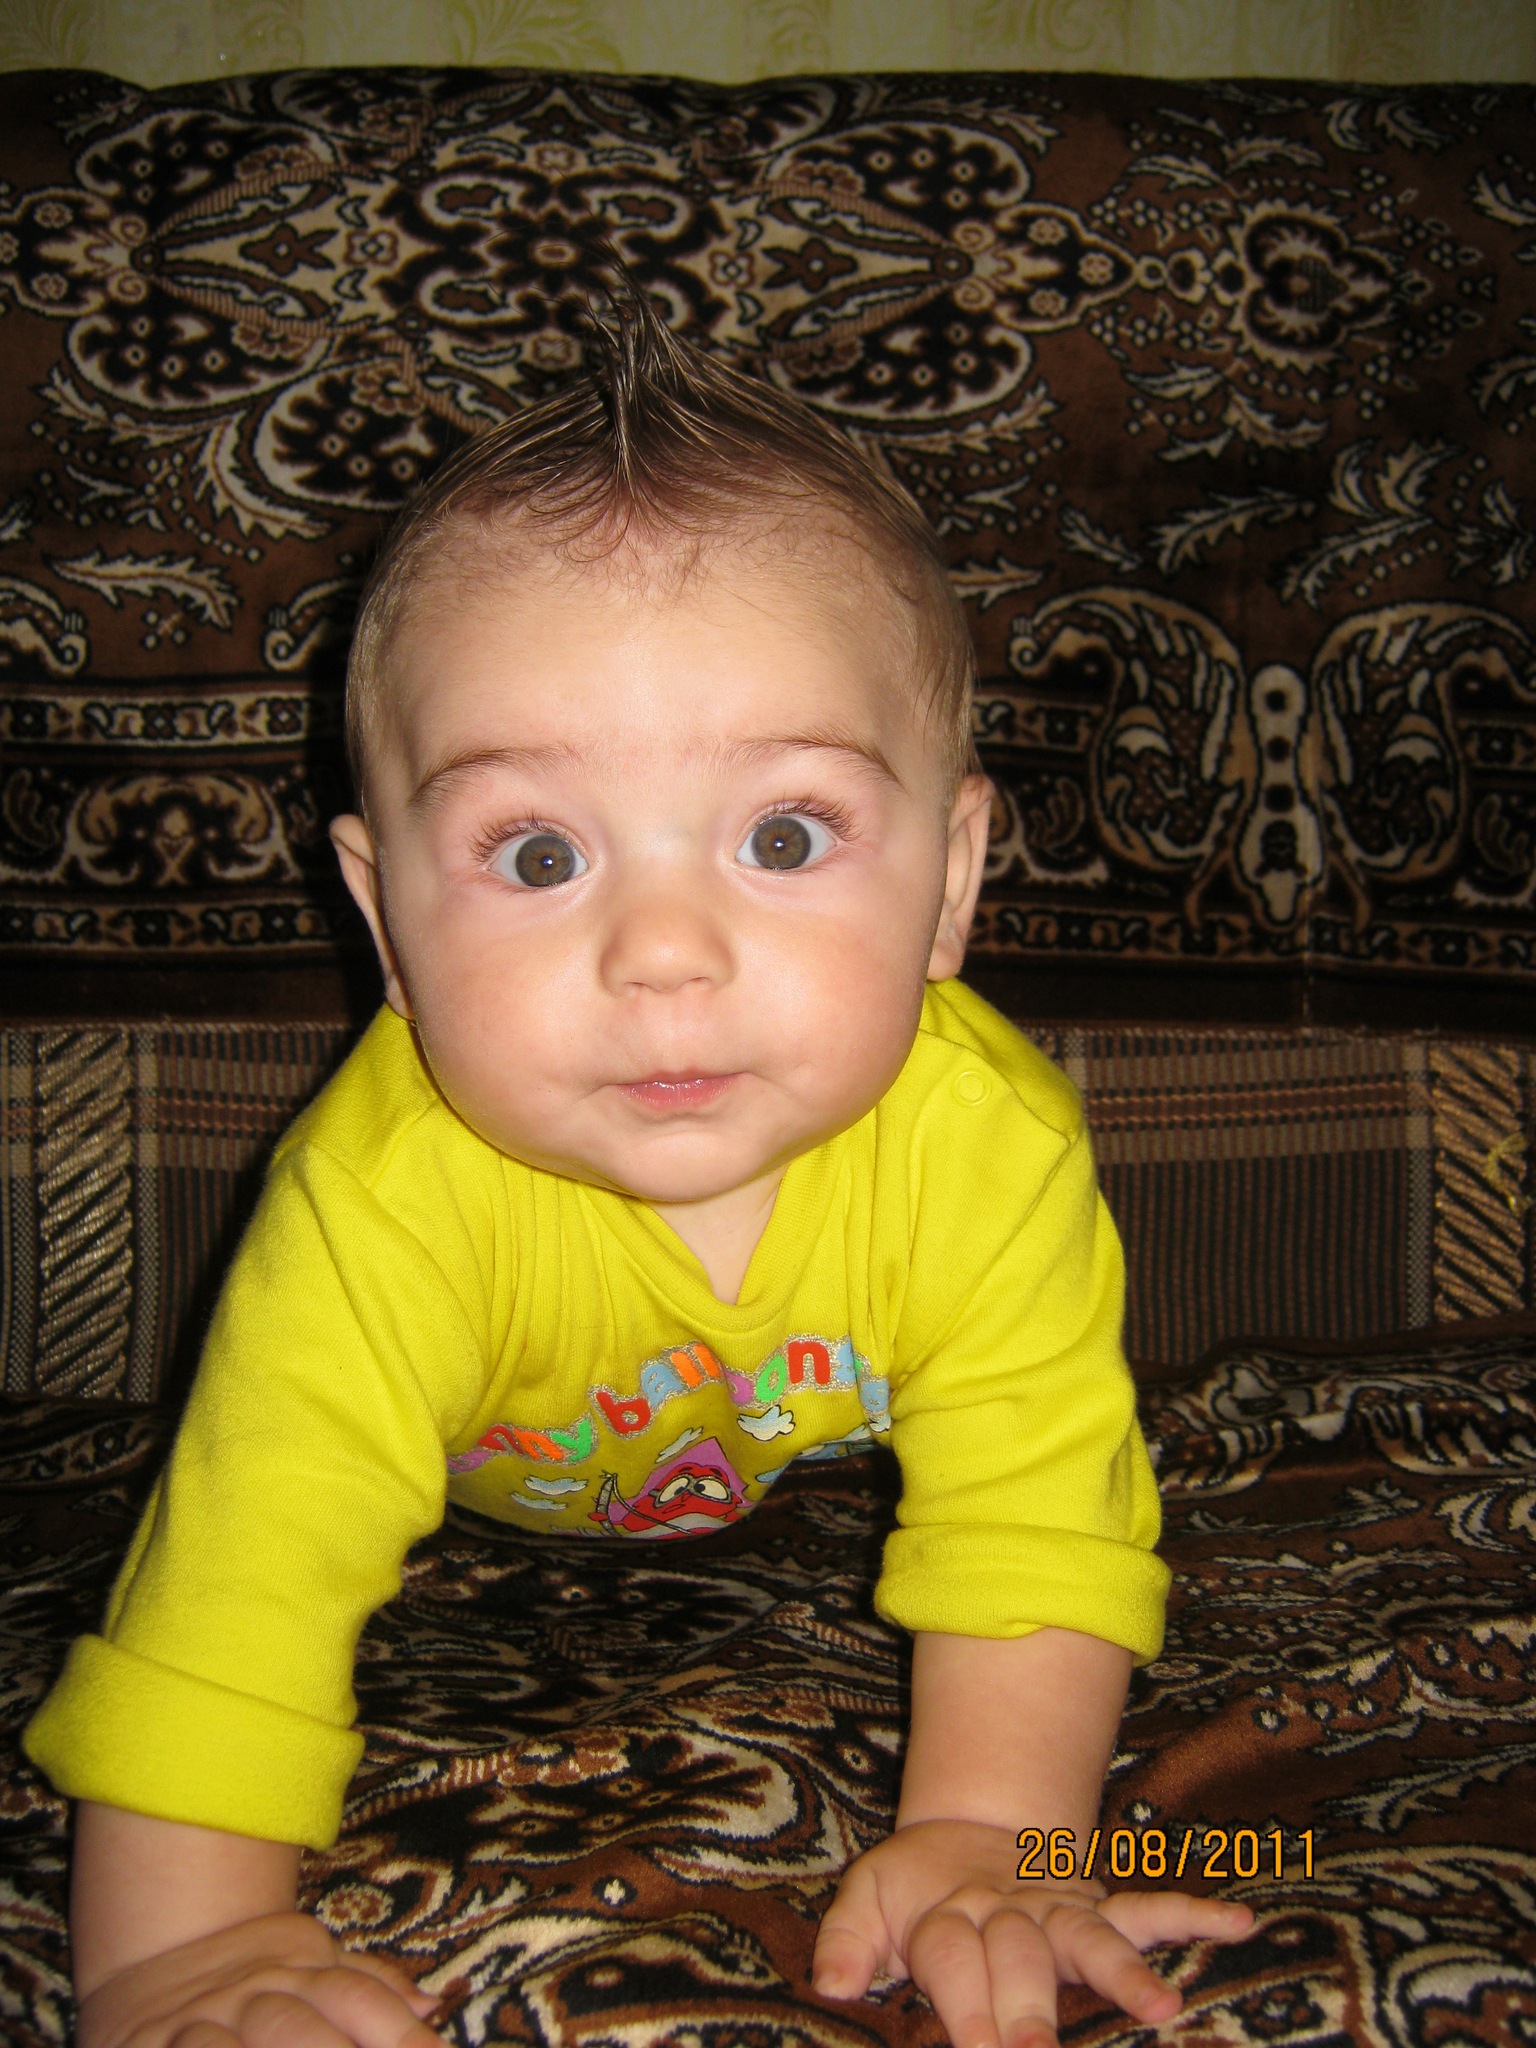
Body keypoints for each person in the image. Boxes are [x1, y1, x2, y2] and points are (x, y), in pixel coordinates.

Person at [24, 292, 1252, 2048]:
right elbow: (231, 1593)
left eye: (783, 834)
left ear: (955, 878)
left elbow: (1039, 1521)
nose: (663, 952)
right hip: (470, 1495)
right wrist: (181, 1950)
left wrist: (995, 1838)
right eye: (538, 854)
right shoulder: (379, 1208)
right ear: (385, 920)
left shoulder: (994, 1149)